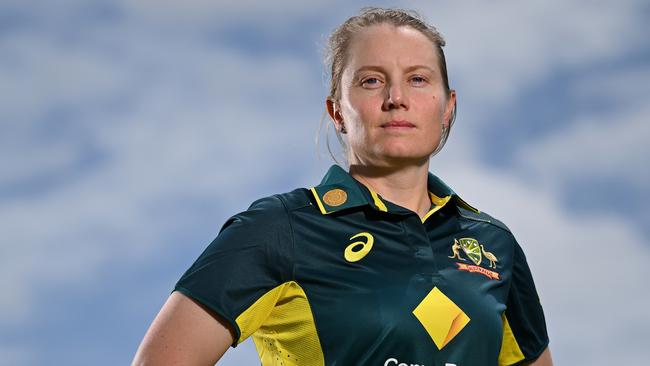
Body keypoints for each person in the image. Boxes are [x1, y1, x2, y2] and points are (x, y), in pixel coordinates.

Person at [132, 7, 552, 366]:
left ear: (448, 106)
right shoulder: (281, 227)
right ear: (337, 111)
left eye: (418, 79)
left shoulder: (494, 243)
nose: (396, 98)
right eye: (371, 80)